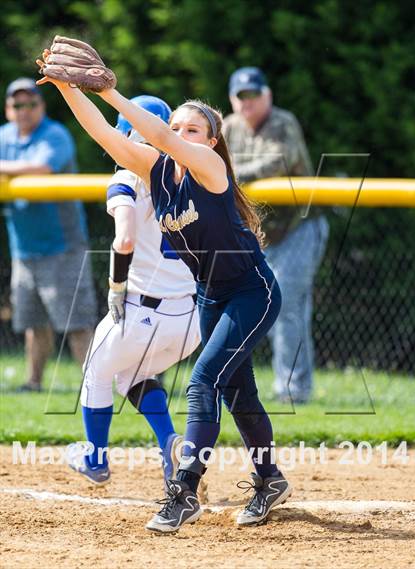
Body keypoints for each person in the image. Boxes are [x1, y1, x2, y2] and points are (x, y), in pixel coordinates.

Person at [36, 42, 292, 533]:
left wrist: (109, 89)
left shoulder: (209, 169)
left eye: (191, 129)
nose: (178, 134)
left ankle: (183, 491)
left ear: (211, 142)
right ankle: (270, 478)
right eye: (175, 127)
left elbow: (150, 131)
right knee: (239, 391)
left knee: (202, 383)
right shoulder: (154, 172)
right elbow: (104, 134)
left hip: (251, 292)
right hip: (210, 297)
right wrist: (68, 87)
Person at [67, 95, 201, 487]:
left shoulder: (127, 176)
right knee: (132, 374)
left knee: (95, 371)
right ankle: (170, 444)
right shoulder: (191, 176)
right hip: (190, 320)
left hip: (142, 313)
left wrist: (115, 287)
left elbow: (123, 240)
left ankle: (95, 459)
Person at [223, 67, 329, 404]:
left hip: (299, 227)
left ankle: (292, 392)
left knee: (286, 307)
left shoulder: (284, 122)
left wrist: (230, 173)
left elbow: (278, 163)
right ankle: (234, 384)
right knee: (246, 305)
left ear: (267, 96)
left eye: (255, 95)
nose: (248, 102)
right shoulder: (228, 127)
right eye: (242, 97)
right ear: (233, 100)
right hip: (258, 235)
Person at [0, 77, 97, 392]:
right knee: (33, 323)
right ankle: (33, 383)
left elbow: (43, 167)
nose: (24, 110)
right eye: (18, 105)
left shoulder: (55, 134)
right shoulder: (4, 136)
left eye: (31, 104)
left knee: (77, 323)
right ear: (8, 109)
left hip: (63, 247)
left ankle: (94, 386)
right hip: (24, 250)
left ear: (41, 106)